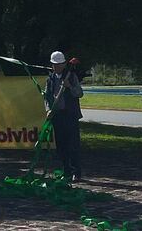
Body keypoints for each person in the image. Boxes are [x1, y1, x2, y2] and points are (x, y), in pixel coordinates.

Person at [44, 51, 84, 183]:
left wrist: (70, 87)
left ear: (64, 64)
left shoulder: (71, 76)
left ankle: (76, 172)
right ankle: (66, 170)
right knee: (61, 146)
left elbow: (79, 93)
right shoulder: (50, 79)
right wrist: (48, 109)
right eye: (55, 64)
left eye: (60, 64)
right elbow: (47, 97)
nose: (57, 67)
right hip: (58, 116)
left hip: (70, 115)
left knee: (73, 145)